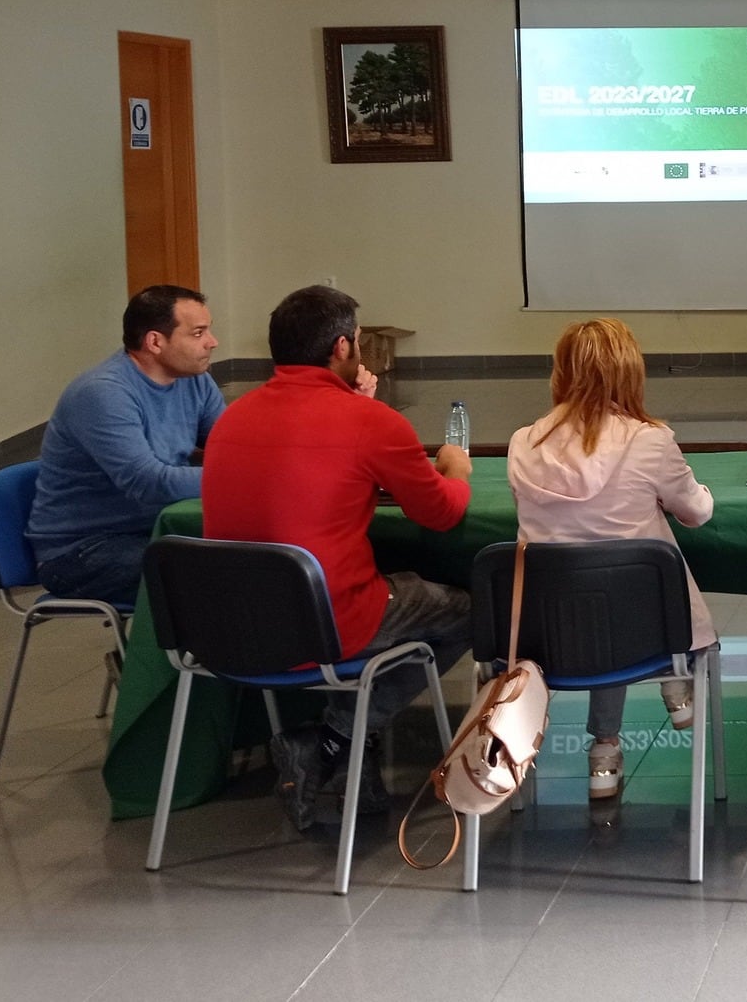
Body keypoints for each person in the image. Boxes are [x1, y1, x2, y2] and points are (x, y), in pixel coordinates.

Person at [201, 286, 471, 832]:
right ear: (344, 347)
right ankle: (335, 736)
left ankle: (344, 752)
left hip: (231, 627)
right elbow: (440, 515)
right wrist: (457, 468)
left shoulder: (231, 420)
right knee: (471, 609)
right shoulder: (370, 424)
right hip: (328, 623)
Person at [508, 319, 716, 804]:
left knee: (593, 596)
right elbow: (697, 512)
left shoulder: (523, 443)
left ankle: (610, 744)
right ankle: (670, 680)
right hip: (642, 628)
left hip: (549, 633)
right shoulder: (650, 441)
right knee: (634, 576)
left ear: (560, 372)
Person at [28, 286, 227, 605]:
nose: (212, 342)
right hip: (82, 550)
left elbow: (232, 446)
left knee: (253, 554)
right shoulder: (103, 394)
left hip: (148, 527)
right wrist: (241, 476)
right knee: (211, 574)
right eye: (198, 333)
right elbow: (148, 482)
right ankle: (162, 657)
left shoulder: (195, 379)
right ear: (155, 342)